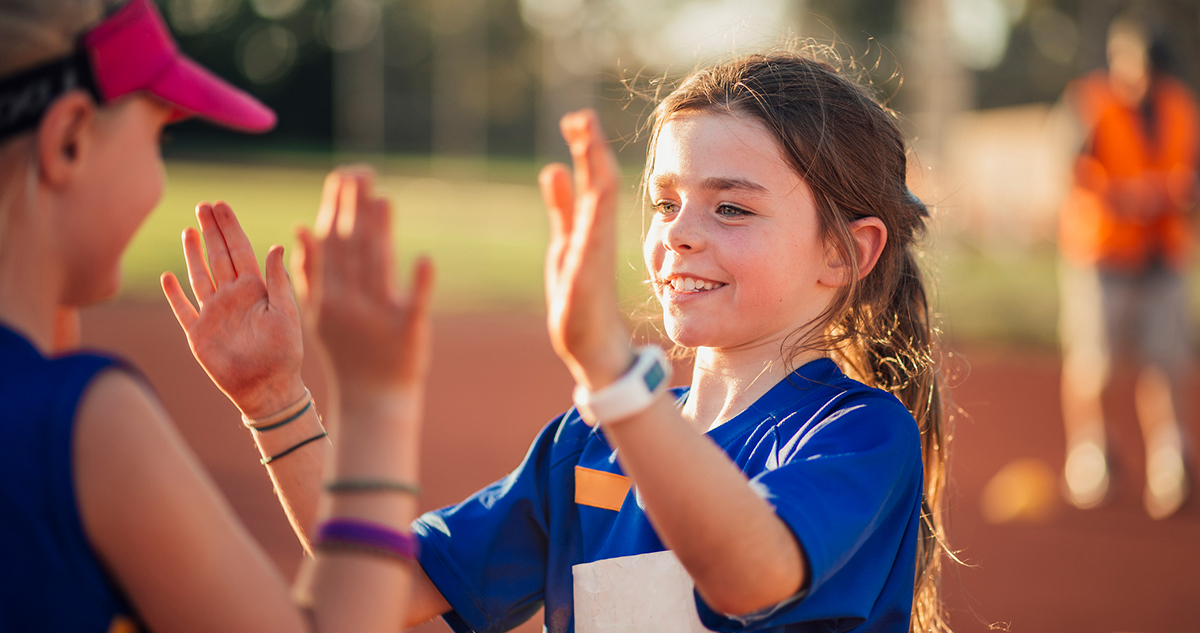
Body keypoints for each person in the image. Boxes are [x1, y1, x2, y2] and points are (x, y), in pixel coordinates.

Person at [178, 51, 952, 632]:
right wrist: (275, 400)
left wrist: (614, 378)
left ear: (846, 252)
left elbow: (750, 574)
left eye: (732, 210)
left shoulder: (856, 434)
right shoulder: (588, 440)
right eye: (666, 202)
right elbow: (384, 587)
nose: (678, 234)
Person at [0, 0, 433, 630]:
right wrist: (376, 400)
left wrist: (275, 397)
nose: (159, 173)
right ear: (68, 141)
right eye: (158, 137)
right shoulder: (85, 423)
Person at [1057, 15, 1197, 519]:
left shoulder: (1180, 106)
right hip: (1103, 254)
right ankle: (1091, 452)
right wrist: (1125, 196)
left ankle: (1171, 458)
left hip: (1163, 254)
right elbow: (1067, 170)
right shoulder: (1091, 104)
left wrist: (1179, 195)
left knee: (1167, 360)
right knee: (1096, 361)